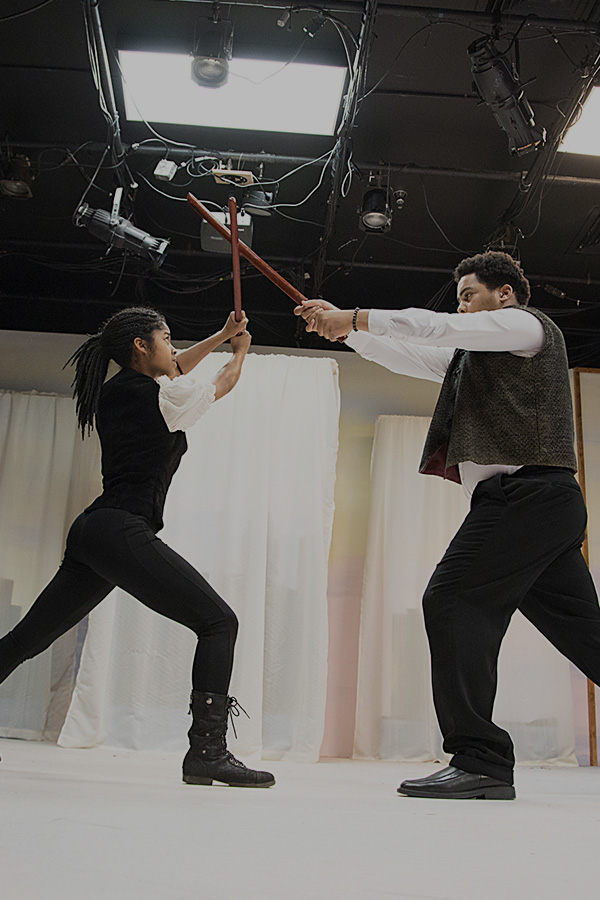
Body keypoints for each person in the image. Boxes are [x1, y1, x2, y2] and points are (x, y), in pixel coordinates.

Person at [296, 250, 600, 800]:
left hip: (525, 499)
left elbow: (435, 328)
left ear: (503, 293)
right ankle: (480, 757)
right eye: (460, 297)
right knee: (586, 632)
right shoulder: (474, 359)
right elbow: (416, 355)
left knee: (452, 600)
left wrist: (356, 315)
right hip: (537, 506)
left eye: (469, 294)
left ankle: (481, 759)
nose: (461, 306)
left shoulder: (526, 327)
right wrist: (348, 334)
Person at [0, 306, 274, 788]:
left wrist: (220, 333)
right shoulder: (159, 394)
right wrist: (240, 349)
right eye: (166, 337)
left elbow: (176, 369)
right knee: (218, 622)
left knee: (27, 640)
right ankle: (207, 754)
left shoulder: (124, 390)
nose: (173, 348)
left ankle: (206, 754)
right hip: (119, 528)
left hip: (96, 532)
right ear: (140, 347)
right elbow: (221, 383)